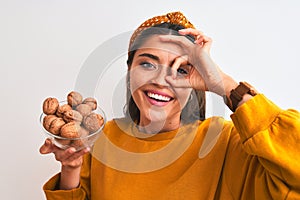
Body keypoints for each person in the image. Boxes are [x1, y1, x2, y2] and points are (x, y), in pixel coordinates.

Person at [40, 11, 300, 199]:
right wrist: (71, 168)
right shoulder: (102, 138)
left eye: (181, 70)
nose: (160, 80)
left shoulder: (224, 142)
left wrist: (226, 85)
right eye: (147, 63)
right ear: (129, 70)